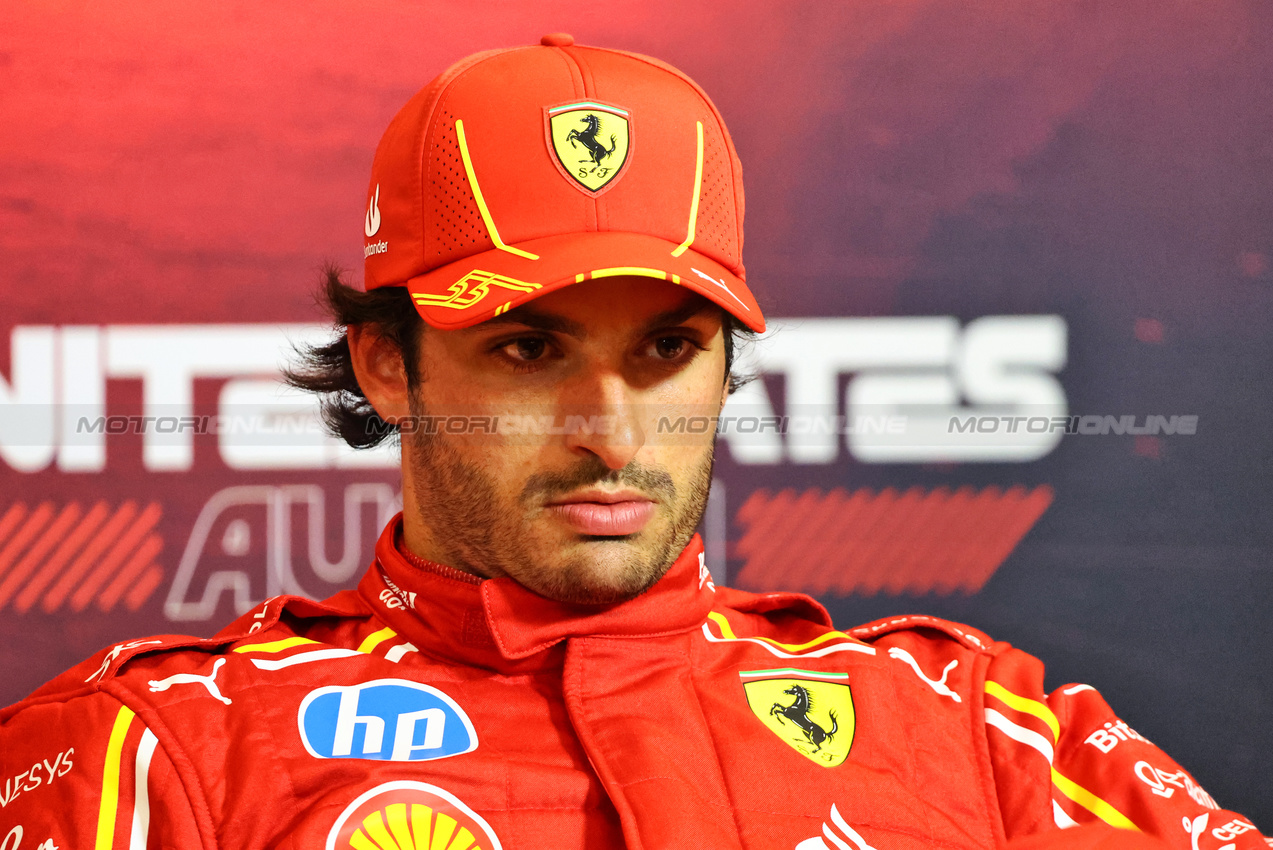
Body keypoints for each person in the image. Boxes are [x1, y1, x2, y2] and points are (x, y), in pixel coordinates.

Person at [0, 34, 1265, 850]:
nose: (609, 433)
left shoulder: (976, 729)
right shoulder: (150, 755)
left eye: (665, 349)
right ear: (388, 364)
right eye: (530, 349)